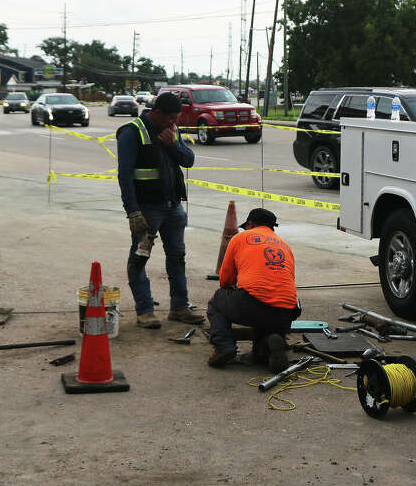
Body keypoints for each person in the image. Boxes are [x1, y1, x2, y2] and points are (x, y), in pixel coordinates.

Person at [117, 90, 204, 329]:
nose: (174, 122)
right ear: (156, 113)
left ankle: (179, 307)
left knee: (177, 258)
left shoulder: (172, 132)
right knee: (140, 257)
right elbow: (124, 176)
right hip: (147, 210)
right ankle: (144, 310)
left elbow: (188, 160)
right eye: (170, 118)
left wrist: (173, 143)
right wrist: (132, 212)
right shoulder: (132, 132)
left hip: (173, 207)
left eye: (176, 118)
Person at [206, 208, 300, 371]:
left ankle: (223, 346)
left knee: (218, 300)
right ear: (272, 227)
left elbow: (225, 279)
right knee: (265, 307)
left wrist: (238, 286)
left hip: (252, 305)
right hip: (287, 313)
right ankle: (269, 347)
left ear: (250, 224)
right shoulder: (285, 245)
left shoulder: (241, 237)